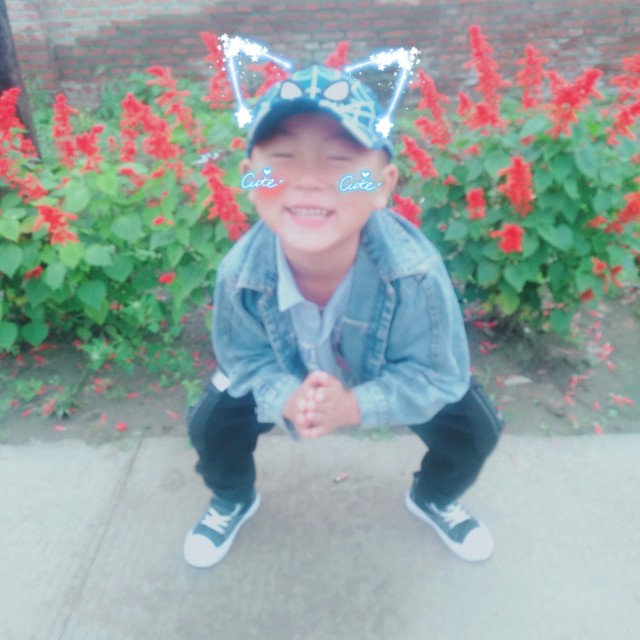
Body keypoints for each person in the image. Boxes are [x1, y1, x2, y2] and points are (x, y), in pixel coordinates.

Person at [183, 64, 503, 569]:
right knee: (211, 425)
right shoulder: (240, 274)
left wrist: (353, 406)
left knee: (474, 431)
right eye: (282, 159)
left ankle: (435, 495)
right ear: (252, 178)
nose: (308, 181)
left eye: (339, 160)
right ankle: (232, 497)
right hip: (283, 369)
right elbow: (243, 360)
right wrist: (286, 397)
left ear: (382, 185)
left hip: (387, 370)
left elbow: (436, 375)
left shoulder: (414, 275)